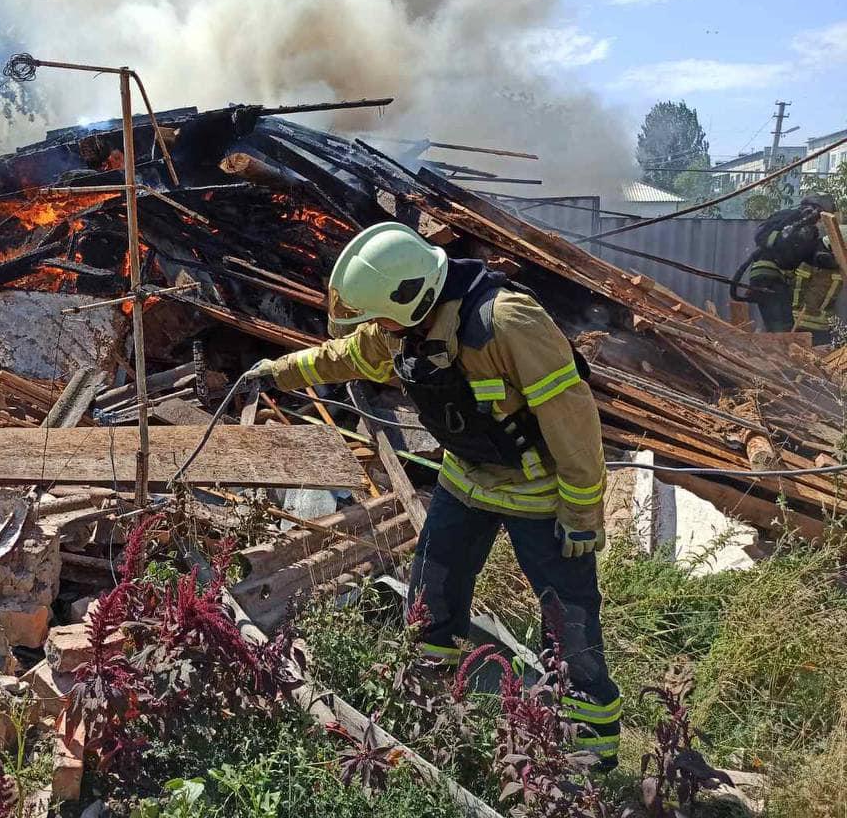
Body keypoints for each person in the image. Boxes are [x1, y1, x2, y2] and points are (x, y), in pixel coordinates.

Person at [242, 221, 621, 768]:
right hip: (465, 479)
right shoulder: (401, 329)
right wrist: (276, 373)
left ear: (410, 294)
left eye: (378, 316)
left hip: (539, 491)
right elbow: (340, 356)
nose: (374, 328)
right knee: (432, 591)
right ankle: (427, 696)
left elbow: (573, 417)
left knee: (568, 617)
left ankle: (592, 748)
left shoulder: (506, 321)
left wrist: (582, 511)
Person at [745, 194, 843, 345]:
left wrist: (829, 261)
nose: (818, 221)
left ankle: (773, 359)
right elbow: (762, 237)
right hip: (769, 275)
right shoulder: (788, 218)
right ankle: (778, 362)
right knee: (783, 330)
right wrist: (788, 236)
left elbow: (806, 256)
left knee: (782, 326)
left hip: (773, 278)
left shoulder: (810, 232)